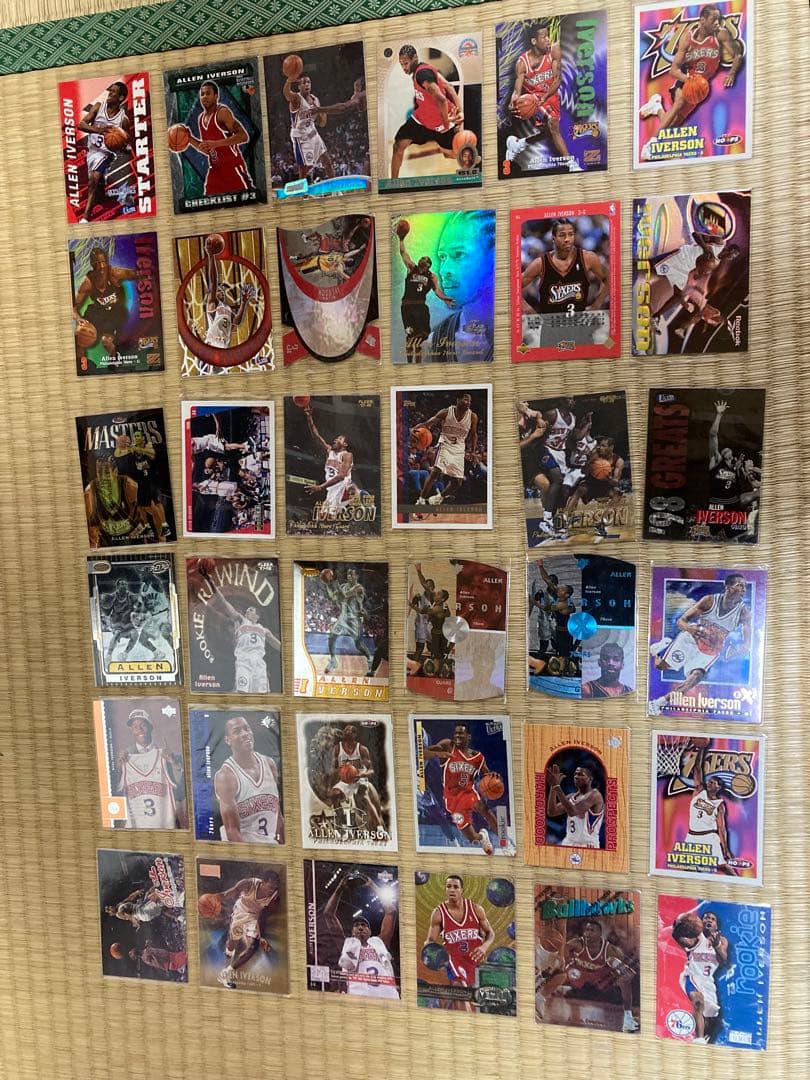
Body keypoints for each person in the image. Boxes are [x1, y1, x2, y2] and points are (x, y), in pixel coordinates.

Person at [639, 4, 743, 162]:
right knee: (679, 103)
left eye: (719, 19)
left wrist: (732, 73)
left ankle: (657, 106)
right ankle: (651, 144)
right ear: (702, 20)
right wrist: (690, 80)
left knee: (674, 124)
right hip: (687, 78)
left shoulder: (720, 34)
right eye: (713, 19)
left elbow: (737, 56)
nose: (717, 22)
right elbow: (674, 70)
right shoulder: (687, 38)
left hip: (701, 86)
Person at [649, 572, 750, 714]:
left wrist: (739, 648)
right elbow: (681, 621)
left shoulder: (743, 612)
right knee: (660, 666)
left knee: (695, 678)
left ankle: (659, 704)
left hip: (711, 650)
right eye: (740, 585)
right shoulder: (709, 601)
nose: (744, 590)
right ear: (728, 587)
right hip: (691, 639)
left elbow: (747, 641)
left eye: (745, 587)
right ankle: (662, 648)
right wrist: (690, 628)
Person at [505, 23, 582, 172]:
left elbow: (557, 80)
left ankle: (519, 144)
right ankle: (571, 164)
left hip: (551, 95)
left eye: (548, 36)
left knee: (548, 132)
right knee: (553, 126)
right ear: (534, 41)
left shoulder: (554, 50)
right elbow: (517, 91)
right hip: (535, 100)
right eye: (544, 37)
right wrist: (512, 102)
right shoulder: (522, 63)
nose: (548, 39)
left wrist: (545, 96)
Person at [539, 920, 639, 1032]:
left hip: (597, 987)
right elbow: (563, 951)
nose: (587, 933)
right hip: (576, 982)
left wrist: (620, 972)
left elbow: (629, 973)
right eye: (586, 930)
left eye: (592, 930)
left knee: (623, 983)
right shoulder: (577, 944)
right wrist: (562, 956)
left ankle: (628, 1016)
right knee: (560, 972)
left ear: (600, 934)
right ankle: (542, 1002)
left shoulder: (610, 951)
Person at [426, 211, 495, 363]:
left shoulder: (527, 331)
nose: (444, 270)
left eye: (458, 254)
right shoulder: (434, 343)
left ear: (494, 257)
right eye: (442, 257)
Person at [423, 724, 503, 855]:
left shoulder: (477, 757)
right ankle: (482, 836)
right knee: (472, 838)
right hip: (452, 799)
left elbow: (487, 775)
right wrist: (439, 754)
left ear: (468, 736)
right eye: (456, 733)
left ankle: (505, 841)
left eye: (461, 733)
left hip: (468, 793)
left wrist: (494, 777)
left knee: (484, 809)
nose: (457, 735)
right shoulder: (448, 746)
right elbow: (422, 753)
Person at [201, 566, 281, 693]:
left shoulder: (264, 630)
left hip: (259, 664)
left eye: (251, 610)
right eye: (247, 610)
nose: (247, 611)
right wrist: (210, 581)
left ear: (257, 616)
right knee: (241, 692)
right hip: (244, 662)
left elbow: (278, 645)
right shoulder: (240, 621)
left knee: (263, 695)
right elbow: (223, 601)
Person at [390, 44, 463, 179]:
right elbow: (448, 86)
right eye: (401, 64)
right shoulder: (425, 68)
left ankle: (471, 155)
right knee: (398, 145)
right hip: (422, 118)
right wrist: (461, 111)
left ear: (415, 58)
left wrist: (446, 119)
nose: (404, 68)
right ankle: (393, 183)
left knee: (450, 154)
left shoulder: (422, 75)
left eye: (406, 63)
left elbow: (441, 99)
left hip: (440, 120)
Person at [322, 873, 399, 998]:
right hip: (359, 998)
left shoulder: (379, 943)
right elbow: (328, 914)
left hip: (387, 998)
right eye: (356, 925)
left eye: (364, 925)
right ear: (352, 931)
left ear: (370, 931)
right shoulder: (346, 945)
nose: (360, 927)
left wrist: (372, 885)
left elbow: (391, 911)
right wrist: (339, 888)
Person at [425, 874, 495, 1010]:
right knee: (460, 992)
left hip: (475, 961)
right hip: (454, 964)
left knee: (480, 1002)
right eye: (448, 886)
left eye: (455, 887)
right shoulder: (439, 913)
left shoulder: (476, 909)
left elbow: (491, 933)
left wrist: (484, 947)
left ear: (462, 890)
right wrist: (429, 952)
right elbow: (430, 941)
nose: (452, 890)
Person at [213, 715, 283, 844]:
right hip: (243, 849)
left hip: (270, 847)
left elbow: (278, 816)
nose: (245, 734)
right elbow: (232, 831)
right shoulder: (226, 776)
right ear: (228, 740)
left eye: (247, 729)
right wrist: (253, 856)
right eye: (237, 731)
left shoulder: (270, 764)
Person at [521, 220, 609, 317]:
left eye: (570, 234)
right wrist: (529, 310)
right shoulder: (541, 263)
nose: (567, 239)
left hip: (579, 321)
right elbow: (515, 287)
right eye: (562, 235)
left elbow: (609, 279)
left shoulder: (587, 258)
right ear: (553, 238)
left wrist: (596, 305)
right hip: (552, 323)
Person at [115, 707, 185, 829]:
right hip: (138, 825)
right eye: (135, 727)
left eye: (143, 725)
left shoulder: (165, 752)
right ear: (131, 731)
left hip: (164, 821)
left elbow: (181, 788)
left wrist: (174, 763)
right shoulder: (125, 757)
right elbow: (115, 791)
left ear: (151, 727)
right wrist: (119, 769)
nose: (140, 729)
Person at [211, 873, 282, 989]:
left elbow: (264, 916)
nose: (272, 890)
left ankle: (226, 973)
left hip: (253, 918)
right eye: (270, 887)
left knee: (253, 947)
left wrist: (261, 937)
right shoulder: (249, 884)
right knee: (232, 943)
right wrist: (214, 898)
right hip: (240, 912)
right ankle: (228, 953)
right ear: (263, 883)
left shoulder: (274, 897)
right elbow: (228, 893)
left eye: (274, 888)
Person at [183, 80, 253, 196]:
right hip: (215, 171)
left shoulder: (222, 112)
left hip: (232, 168)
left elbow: (243, 136)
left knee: (247, 200)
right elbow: (208, 149)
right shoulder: (201, 118)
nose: (204, 97)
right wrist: (189, 138)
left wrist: (215, 144)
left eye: (208, 93)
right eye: (202, 94)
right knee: (208, 202)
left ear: (216, 96)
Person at [677, 744, 736, 875]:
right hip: (692, 836)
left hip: (709, 837)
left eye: (712, 782)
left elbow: (721, 828)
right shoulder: (699, 791)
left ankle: (737, 880)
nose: (709, 782)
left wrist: (725, 848)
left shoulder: (719, 805)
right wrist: (701, 749)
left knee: (722, 866)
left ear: (718, 787)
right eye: (709, 781)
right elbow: (697, 768)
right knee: (686, 867)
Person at [397, 231, 455, 364]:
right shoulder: (412, 268)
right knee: (409, 336)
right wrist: (401, 239)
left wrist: (444, 298)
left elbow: (437, 290)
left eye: (425, 260)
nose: (422, 261)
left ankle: (417, 362)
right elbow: (403, 253)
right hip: (407, 306)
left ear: (428, 265)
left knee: (419, 338)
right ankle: (409, 362)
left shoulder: (431, 276)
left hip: (420, 307)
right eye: (421, 259)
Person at [73, 247, 142, 357]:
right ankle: (82, 363)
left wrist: (146, 290)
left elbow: (138, 274)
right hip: (98, 312)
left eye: (103, 262)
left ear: (107, 262)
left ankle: (115, 358)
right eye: (97, 263)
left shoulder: (115, 273)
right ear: (92, 265)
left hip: (116, 312)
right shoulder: (88, 282)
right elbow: (73, 308)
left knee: (107, 341)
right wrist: (78, 319)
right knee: (80, 335)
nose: (101, 266)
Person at [672, 910, 729, 1043]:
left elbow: (723, 960)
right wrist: (678, 929)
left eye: (712, 919)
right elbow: (681, 940)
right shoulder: (696, 938)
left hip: (708, 982)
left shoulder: (722, 941)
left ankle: (704, 1037)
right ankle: (699, 1040)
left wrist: (717, 946)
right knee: (698, 1002)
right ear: (700, 923)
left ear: (716, 925)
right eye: (706, 918)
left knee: (712, 1018)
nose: (709, 920)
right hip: (692, 976)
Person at [414, 392, 478, 507]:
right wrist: (414, 429)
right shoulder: (446, 412)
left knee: (457, 482)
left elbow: (473, 435)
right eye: (465, 399)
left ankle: (438, 498)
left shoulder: (472, 417)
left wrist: (473, 451)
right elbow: (427, 424)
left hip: (459, 449)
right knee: (436, 471)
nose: (468, 402)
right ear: (458, 400)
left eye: (470, 401)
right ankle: (421, 500)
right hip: (445, 444)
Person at [77, 81, 130, 223]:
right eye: (110, 90)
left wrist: (121, 145)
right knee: (95, 182)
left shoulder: (123, 120)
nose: (109, 93)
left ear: (121, 97)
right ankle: (101, 194)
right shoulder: (98, 107)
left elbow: (127, 142)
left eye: (113, 92)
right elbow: (81, 124)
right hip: (92, 151)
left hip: (107, 154)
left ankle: (86, 217)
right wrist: (100, 130)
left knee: (94, 178)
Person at [301, 403, 356, 519]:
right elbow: (316, 437)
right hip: (332, 488)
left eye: (339, 439)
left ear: (345, 444)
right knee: (321, 518)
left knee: (325, 518)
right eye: (336, 438)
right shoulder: (329, 451)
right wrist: (309, 418)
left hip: (342, 487)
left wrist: (320, 487)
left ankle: (353, 504)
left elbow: (341, 476)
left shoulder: (347, 455)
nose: (335, 439)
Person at [113, 430, 170, 541]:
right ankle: (146, 529)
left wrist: (135, 449)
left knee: (153, 507)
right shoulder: (126, 450)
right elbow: (119, 461)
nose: (136, 437)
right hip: (135, 482)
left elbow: (152, 454)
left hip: (147, 480)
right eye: (135, 436)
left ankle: (162, 532)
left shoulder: (145, 446)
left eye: (138, 435)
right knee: (139, 508)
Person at [320, 567, 375, 676]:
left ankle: (369, 658)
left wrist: (335, 583)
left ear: (357, 576)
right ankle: (333, 661)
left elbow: (344, 597)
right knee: (332, 637)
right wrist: (328, 585)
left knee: (358, 644)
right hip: (343, 617)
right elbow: (334, 597)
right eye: (348, 574)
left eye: (351, 574)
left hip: (353, 619)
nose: (349, 576)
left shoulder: (359, 588)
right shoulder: (344, 586)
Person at [329, 723, 384, 830]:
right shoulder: (337, 749)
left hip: (360, 778)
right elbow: (332, 770)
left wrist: (362, 774)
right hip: (345, 780)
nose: (346, 732)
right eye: (345, 730)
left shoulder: (362, 749)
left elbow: (371, 770)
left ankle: (379, 829)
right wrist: (342, 770)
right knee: (334, 794)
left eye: (349, 730)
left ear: (354, 734)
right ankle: (342, 825)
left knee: (363, 796)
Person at [84, 445, 140, 547]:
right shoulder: (90, 491)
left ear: (115, 472)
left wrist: (138, 532)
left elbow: (144, 512)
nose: (103, 477)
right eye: (100, 472)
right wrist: (94, 541)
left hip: (131, 535)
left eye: (106, 472)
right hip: (107, 538)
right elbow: (90, 524)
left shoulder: (129, 486)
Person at [202, 243, 255, 349]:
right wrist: (211, 256)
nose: (222, 292)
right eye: (218, 290)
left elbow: (237, 321)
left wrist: (244, 302)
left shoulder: (228, 309)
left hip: (223, 345)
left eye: (222, 291)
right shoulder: (212, 304)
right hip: (212, 342)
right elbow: (213, 281)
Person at [283, 71, 334, 180]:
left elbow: (322, 123)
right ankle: (301, 189)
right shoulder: (296, 99)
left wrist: (322, 112)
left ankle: (336, 187)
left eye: (309, 82)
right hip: (301, 137)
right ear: (299, 86)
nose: (307, 84)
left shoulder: (315, 100)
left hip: (313, 133)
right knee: (304, 168)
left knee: (327, 162)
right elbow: (287, 94)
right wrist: (289, 80)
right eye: (304, 82)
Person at [547, 760, 604, 848]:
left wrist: (557, 786)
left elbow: (573, 812)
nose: (576, 777)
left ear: (590, 779)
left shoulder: (595, 795)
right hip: (568, 841)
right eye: (575, 774)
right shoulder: (571, 796)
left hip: (587, 844)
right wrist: (552, 787)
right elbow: (552, 812)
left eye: (581, 774)